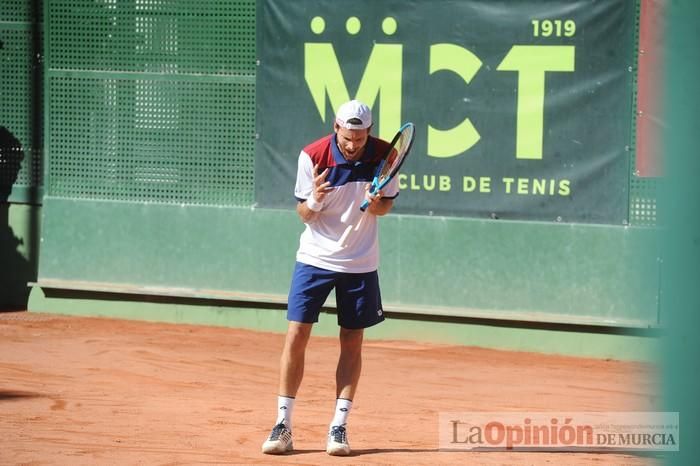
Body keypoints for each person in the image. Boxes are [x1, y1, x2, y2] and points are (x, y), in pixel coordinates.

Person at [262, 100, 399, 456]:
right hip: (314, 259)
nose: (353, 145)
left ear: (368, 131)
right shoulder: (312, 155)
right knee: (296, 334)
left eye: (360, 137)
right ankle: (283, 425)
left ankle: (338, 427)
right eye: (347, 137)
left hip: (360, 262)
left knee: (352, 341)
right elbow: (303, 214)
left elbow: (386, 205)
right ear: (336, 127)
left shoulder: (386, 155)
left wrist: (376, 200)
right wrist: (316, 200)